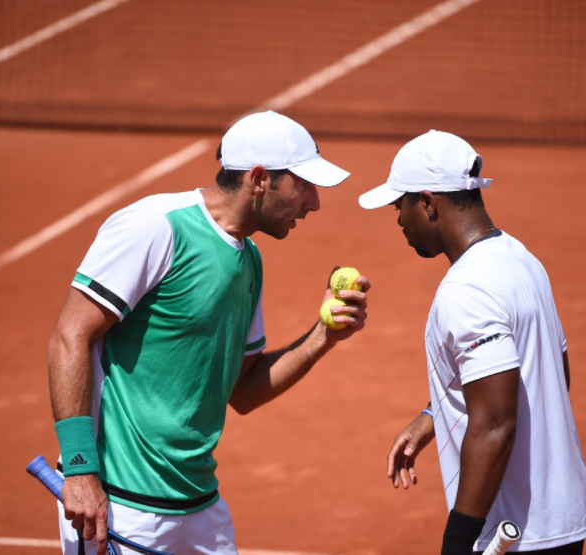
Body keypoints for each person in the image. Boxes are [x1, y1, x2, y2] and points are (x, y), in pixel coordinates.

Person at [48, 110, 370, 555]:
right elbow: (70, 336)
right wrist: (80, 469)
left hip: (200, 507)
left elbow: (243, 391)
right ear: (259, 179)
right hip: (122, 504)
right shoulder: (156, 227)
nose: (313, 203)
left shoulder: (249, 260)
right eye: (304, 186)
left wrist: (322, 337)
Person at [358, 131, 586, 554]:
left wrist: (458, 541)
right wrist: (435, 413)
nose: (397, 220)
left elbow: (496, 424)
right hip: (561, 522)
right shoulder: (521, 258)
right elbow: (555, 373)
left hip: (517, 534)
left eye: (400, 205)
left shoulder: (466, 290)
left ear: (428, 203)